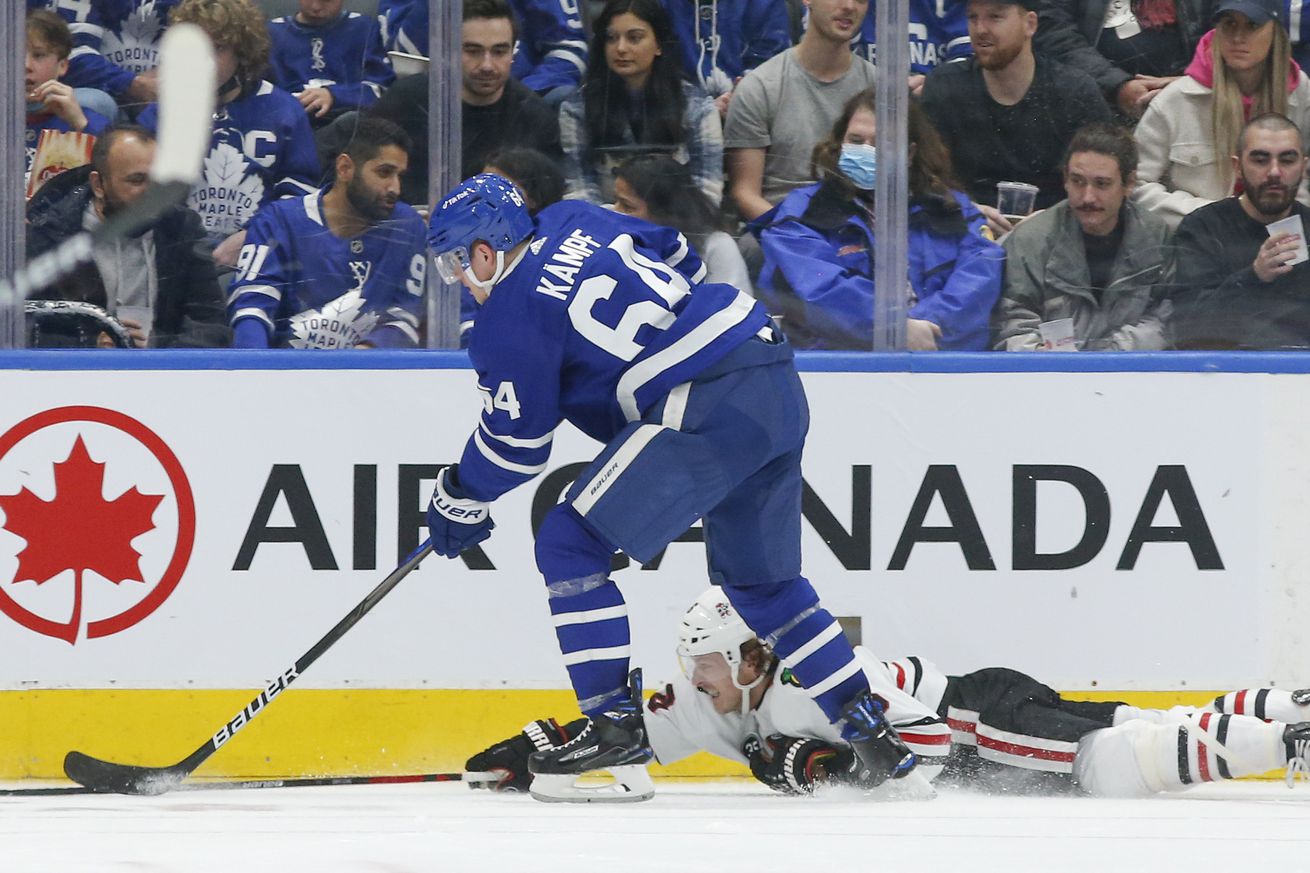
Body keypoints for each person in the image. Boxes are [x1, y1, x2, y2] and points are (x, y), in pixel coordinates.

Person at [425, 173, 919, 802]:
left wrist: (459, 494)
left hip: (703, 398)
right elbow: (679, 252)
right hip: (769, 373)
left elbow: (517, 447)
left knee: (568, 545)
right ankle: (872, 735)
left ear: (486, 253)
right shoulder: (579, 217)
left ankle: (612, 726)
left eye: (457, 263)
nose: (460, 280)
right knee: (764, 588)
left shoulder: (506, 323)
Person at [465, 587, 1310, 799]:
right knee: (1139, 722)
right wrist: (540, 752)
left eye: (708, 666)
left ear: (753, 656)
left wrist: (833, 761)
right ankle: (1288, 707)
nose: (694, 682)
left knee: (1117, 761)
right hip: (983, 708)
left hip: (977, 720)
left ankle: (1288, 741)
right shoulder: (712, 700)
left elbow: (929, 749)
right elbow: (636, 739)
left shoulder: (824, 680)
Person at [756, 88, 1004, 351]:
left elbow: (980, 278)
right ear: (840, 144)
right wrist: (895, 329)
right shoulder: (803, 211)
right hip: (841, 367)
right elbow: (818, 289)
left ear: (909, 154)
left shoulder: (954, 208)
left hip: (942, 361)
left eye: (881, 142)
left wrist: (919, 329)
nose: (866, 150)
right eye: (856, 140)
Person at [137, 0, 320, 265]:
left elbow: (299, 193)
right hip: (176, 256)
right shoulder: (162, 111)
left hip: (259, 252)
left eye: (218, 48)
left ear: (243, 52)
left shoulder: (283, 110)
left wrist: (256, 235)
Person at [227, 117, 426, 348]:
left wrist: (363, 360)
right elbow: (252, 309)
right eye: (384, 172)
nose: (395, 188)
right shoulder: (279, 219)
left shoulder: (408, 226)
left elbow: (403, 317)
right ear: (345, 168)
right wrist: (254, 370)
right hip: (284, 373)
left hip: (369, 377)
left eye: (399, 175)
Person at [920, 0, 1113, 237]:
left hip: (1058, 240)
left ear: (1029, 24)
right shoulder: (944, 88)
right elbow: (923, 177)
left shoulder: (1075, 92)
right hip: (964, 236)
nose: (980, 29)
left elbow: (1107, 182)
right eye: (972, 18)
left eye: (995, 17)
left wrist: (1057, 218)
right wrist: (965, 210)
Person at [25, 125, 229, 348]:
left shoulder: (183, 227)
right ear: (98, 185)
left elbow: (210, 323)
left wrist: (159, 351)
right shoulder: (50, 237)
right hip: (76, 375)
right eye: (137, 180)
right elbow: (25, 329)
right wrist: (88, 346)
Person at [994, 123, 1175, 351]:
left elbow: (1163, 319)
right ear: (1065, 179)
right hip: (1048, 375)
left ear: (1129, 184)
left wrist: (1108, 358)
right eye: (1078, 181)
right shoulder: (1030, 241)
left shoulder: (1155, 237)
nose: (1087, 197)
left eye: (1101, 184)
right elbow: (1012, 324)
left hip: (1129, 372)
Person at [1133, 0, 1310, 231]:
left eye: (1252, 25)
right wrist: (1210, 217)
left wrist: (1296, 220)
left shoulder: (1301, 92)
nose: (1237, 37)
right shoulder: (1178, 98)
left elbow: (1305, 178)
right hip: (1204, 239)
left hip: (1284, 230)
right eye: (1228, 24)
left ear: (1275, 31)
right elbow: (1134, 185)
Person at [366, 0, 563, 206]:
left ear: (512, 52)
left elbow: (548, 207)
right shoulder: (402, 102)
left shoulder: (535, 116)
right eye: (472, 50)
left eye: (499, 51)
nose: (487, 65)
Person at [559, 0, 724, 205]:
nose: (620, 48)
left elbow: (706, 194)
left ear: (659, 45)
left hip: (677, 225)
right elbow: (579, 191)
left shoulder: (698, 108)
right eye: (611, 38)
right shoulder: (576, 108)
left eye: (634, 38)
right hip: (606, 225)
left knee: (720, 239)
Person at [724, 0, 877, 221]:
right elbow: (745, 193)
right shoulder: (760, 87)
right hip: (779, 227)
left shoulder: (881, 88)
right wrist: (799, 235)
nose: (849, 6)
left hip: (858, 227)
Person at [1171, 112, 1310, 348]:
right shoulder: (1202, 227)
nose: (1275, 172)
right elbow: (1187, 327)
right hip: (1224, 374)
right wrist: (1254, 276)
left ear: (1304, 167)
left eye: (1287, 160)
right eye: (1260, 160)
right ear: (1237, 167)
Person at [379, 0, 588, 105]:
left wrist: (517, 97)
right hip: (435, 105)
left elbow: (568, 49)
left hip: (521, 104)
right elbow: (403, 54)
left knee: (563, 97)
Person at [1034, 0, 1214, 119]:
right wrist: (1117, 85)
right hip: (1100, 104)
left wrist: (1191, 81)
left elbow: (1228, 30)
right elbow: (1055, 33)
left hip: (1193, 100)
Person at [612, 153, 754, 292]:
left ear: (664, 213)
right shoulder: (606, 223)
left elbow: (735, 309)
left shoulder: (716, 246)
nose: (613, 212)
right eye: (615, 201)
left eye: (627, 206)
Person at [25, 0, 172, 118]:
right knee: (95, 103)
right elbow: (69, 51)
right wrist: (131, 82)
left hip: (168, 93)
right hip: (105, 92)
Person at [267, 0, 395, 125]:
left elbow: (381, 88)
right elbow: (261, 92)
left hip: (350, 123)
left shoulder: (364, 28)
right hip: (290, 123)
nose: (315, 6)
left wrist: (335, 96)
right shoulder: (271, 33)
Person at [660, 0, 793, 115]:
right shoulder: (659, 4)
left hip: (749, 119)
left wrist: (741, 96)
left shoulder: (763, 4)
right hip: (673, 123)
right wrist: (703, 110)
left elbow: (771, 65)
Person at [25, 10, 111, 186]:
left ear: (62, 66)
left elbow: (115, 178)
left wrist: (81, 124)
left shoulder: (87, 120)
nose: (26, 66)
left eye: (39, 55)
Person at [853, 0, 972, 95]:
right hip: (866, 101)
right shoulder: (859, 4)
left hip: (932, 103)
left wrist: (935, 86)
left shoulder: (947, 4)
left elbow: (965, 59)